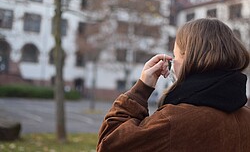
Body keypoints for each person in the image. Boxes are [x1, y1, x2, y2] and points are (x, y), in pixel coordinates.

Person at [97, 18, 250, 152]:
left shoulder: (173, 121)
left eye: (175, 56)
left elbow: (110, 145)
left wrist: (141, 89)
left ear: (190, 58)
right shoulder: (246, 117)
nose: (172, 63)